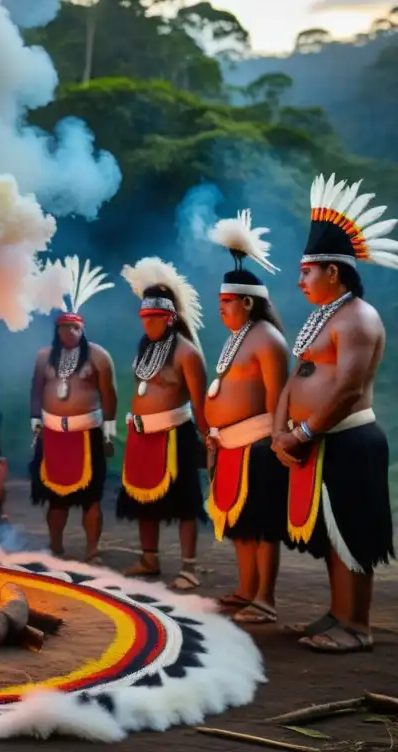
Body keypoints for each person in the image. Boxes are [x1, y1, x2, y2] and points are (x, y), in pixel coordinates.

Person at [271, 173, 396, 653]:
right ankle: (336, 613)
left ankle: (358, 626)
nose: (299, 280)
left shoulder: (359, 318)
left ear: (333, 273)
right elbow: (297, 376)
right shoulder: (323, 317)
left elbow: (345, 389)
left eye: (307, 272)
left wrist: (300, 431)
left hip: (348, 438)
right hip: (314, 439)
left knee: (352, 533)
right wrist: (282, 430)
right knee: (330, 534)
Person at [203, 212, 290, 624]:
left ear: (248, 302)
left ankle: (265, 599)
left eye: (226, 303)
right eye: (219, 303)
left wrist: (275, 443)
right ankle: (245, 588)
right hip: (230, 443)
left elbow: (279, 398)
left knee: (261, 524)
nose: (221, 309)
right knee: (238, 523)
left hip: (259, 443)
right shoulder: (236, 339)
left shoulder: (268, 340)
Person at [118, 257, 208, 590]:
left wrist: (208, 437)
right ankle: (149, 558)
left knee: (185, 503)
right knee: (143, 499)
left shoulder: (187, 354)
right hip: (142, 435)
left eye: (154, 318)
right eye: (144, 318)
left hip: (176, 434)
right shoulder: (145, 350)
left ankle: (189, 566)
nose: (147, 325)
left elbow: (200, 402)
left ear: (169, 318)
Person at [29, 256, 117, 562]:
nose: (70, 333)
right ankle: (55, 547)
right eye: (65, 328)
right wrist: (34, 422)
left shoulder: (98, 356)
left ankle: (93, 551)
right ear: (57, 330)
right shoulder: (43, 357)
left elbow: (110, 395)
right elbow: (35, 391)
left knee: (91, 498)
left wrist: (109, 432)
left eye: (75, 328)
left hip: (88, 433)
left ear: (82, 329)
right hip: (52, 434)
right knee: (56, 499)